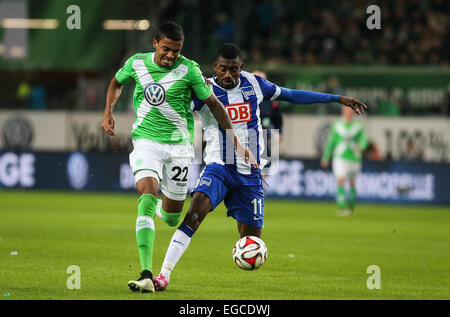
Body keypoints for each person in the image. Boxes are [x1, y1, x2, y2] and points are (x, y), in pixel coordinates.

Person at [152, 43, 367, 291]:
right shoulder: (204, 89)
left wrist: (337, 98)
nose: (228, 74)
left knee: (251, 241)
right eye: (223, 69)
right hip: (218, 166)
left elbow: (292, 95)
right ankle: (163, 275)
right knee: (195, 213)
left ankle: (242, 249)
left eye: (234, 69)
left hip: (250, 174)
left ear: (241, 67)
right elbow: (176, 112)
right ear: (215, 67)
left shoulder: (254, 84)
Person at [101, 23, 256, 293]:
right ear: (155, 44)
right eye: (166, 50)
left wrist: (234, 139)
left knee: (172, 217)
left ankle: (162, 210)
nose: (171, 55)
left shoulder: (190, 70)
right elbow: (116, 82)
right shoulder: (136, 63)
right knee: (146, 197)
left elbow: (215, 105)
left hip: (179, 148)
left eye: (176, 51)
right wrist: (108, 112)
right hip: (146, 141)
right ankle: (147, 273)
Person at [320, 107, 369, 216]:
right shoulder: (337, 125)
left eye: (350, 112)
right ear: (343, 112)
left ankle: (350, 205)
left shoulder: (358, 126)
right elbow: (331, 142)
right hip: (340, 157)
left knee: (351, 183)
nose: (348, 113)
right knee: (341, 180)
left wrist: (361, 146)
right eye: (346, 111)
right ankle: (341, 206)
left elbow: (364, 140)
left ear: (353, 113)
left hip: (354, 158)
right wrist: (326, 157)